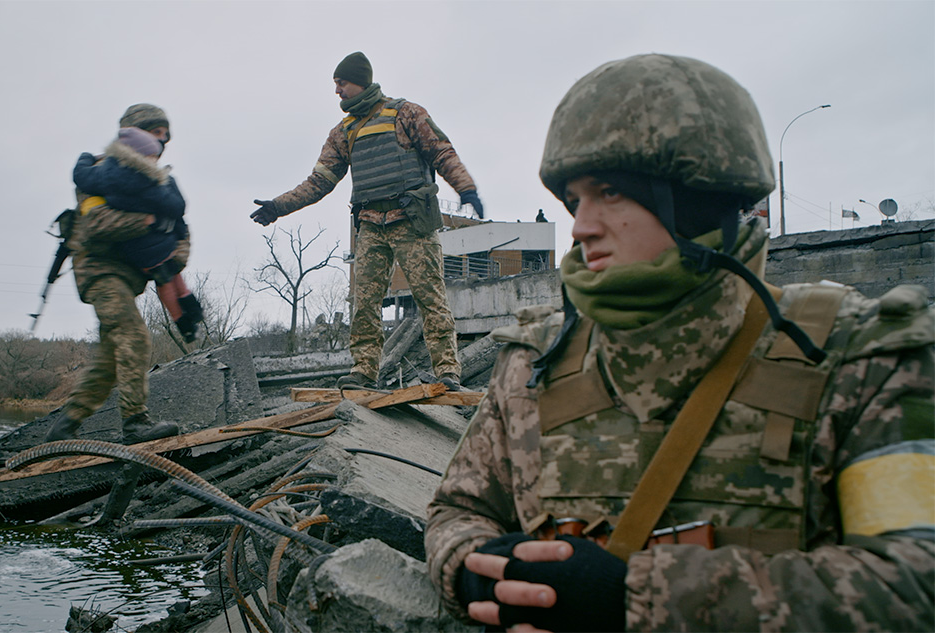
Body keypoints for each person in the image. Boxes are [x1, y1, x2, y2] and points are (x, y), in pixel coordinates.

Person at [425, 53, 934, 632]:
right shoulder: (534, 361)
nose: (581, 226)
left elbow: (914, 584)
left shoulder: (860, 356)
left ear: (696, 198)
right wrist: (474, 569)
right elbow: (456, 511)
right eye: (575, 199)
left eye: (610, 192)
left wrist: (638, 600)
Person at [250, 51, 482, 391]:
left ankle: (448, 372)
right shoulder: (344, 131)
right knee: (365, 305)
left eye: (341, 83)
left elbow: (441, 151)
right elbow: (318, 182)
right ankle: (363, 371)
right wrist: (277, 206)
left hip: (411, 221)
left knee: (431, 299)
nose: (337, 91)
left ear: (360, 80)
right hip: (371, 225)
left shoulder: (405, 113)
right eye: (335, 84)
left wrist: (466, 188)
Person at [44, 103, 184, 525]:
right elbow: (99, 225)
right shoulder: (102, 175)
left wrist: (170, 244)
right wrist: (150, 220)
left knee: (109, 359)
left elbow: (181, 234)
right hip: (100, 271)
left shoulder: (155, 182)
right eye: (155, 133)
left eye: (166, 135)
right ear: (136, 134)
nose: (161, 142)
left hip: (128, 276)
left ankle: (66, 424)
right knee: (134, 336)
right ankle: (136, 422)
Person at [72, 125, 203, 342]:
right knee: (170, 281)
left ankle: (186, 321)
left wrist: (85, 158)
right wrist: (159, 212)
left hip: (139, 250)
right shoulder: (149, 180)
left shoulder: (105, 174)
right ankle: (188, 317)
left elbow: (82, 175)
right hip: (150, 248)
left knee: (168, 281)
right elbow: (176, 207)